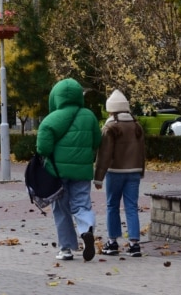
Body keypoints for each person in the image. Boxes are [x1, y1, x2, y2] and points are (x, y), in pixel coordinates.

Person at [36, 78, 102, 262]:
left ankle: (66, 249)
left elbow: (43, 148)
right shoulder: (89, 116)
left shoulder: (51, 119)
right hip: (82, 172)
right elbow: (97, 141)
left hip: (57, 173)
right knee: (82, 203)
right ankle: (86, 229)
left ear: (56, 97)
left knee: (61, 209)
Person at [94, 89, 146, 257]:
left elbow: (104, 154)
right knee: (131, 207)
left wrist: (98, 177)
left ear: (111, 109)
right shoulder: (136, 126)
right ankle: (134, 244)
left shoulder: (110, 127)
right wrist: (141, 170)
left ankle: (112, 242)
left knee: (112, 206)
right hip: (134, 172)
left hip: (115, 172)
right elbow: (142, 151)